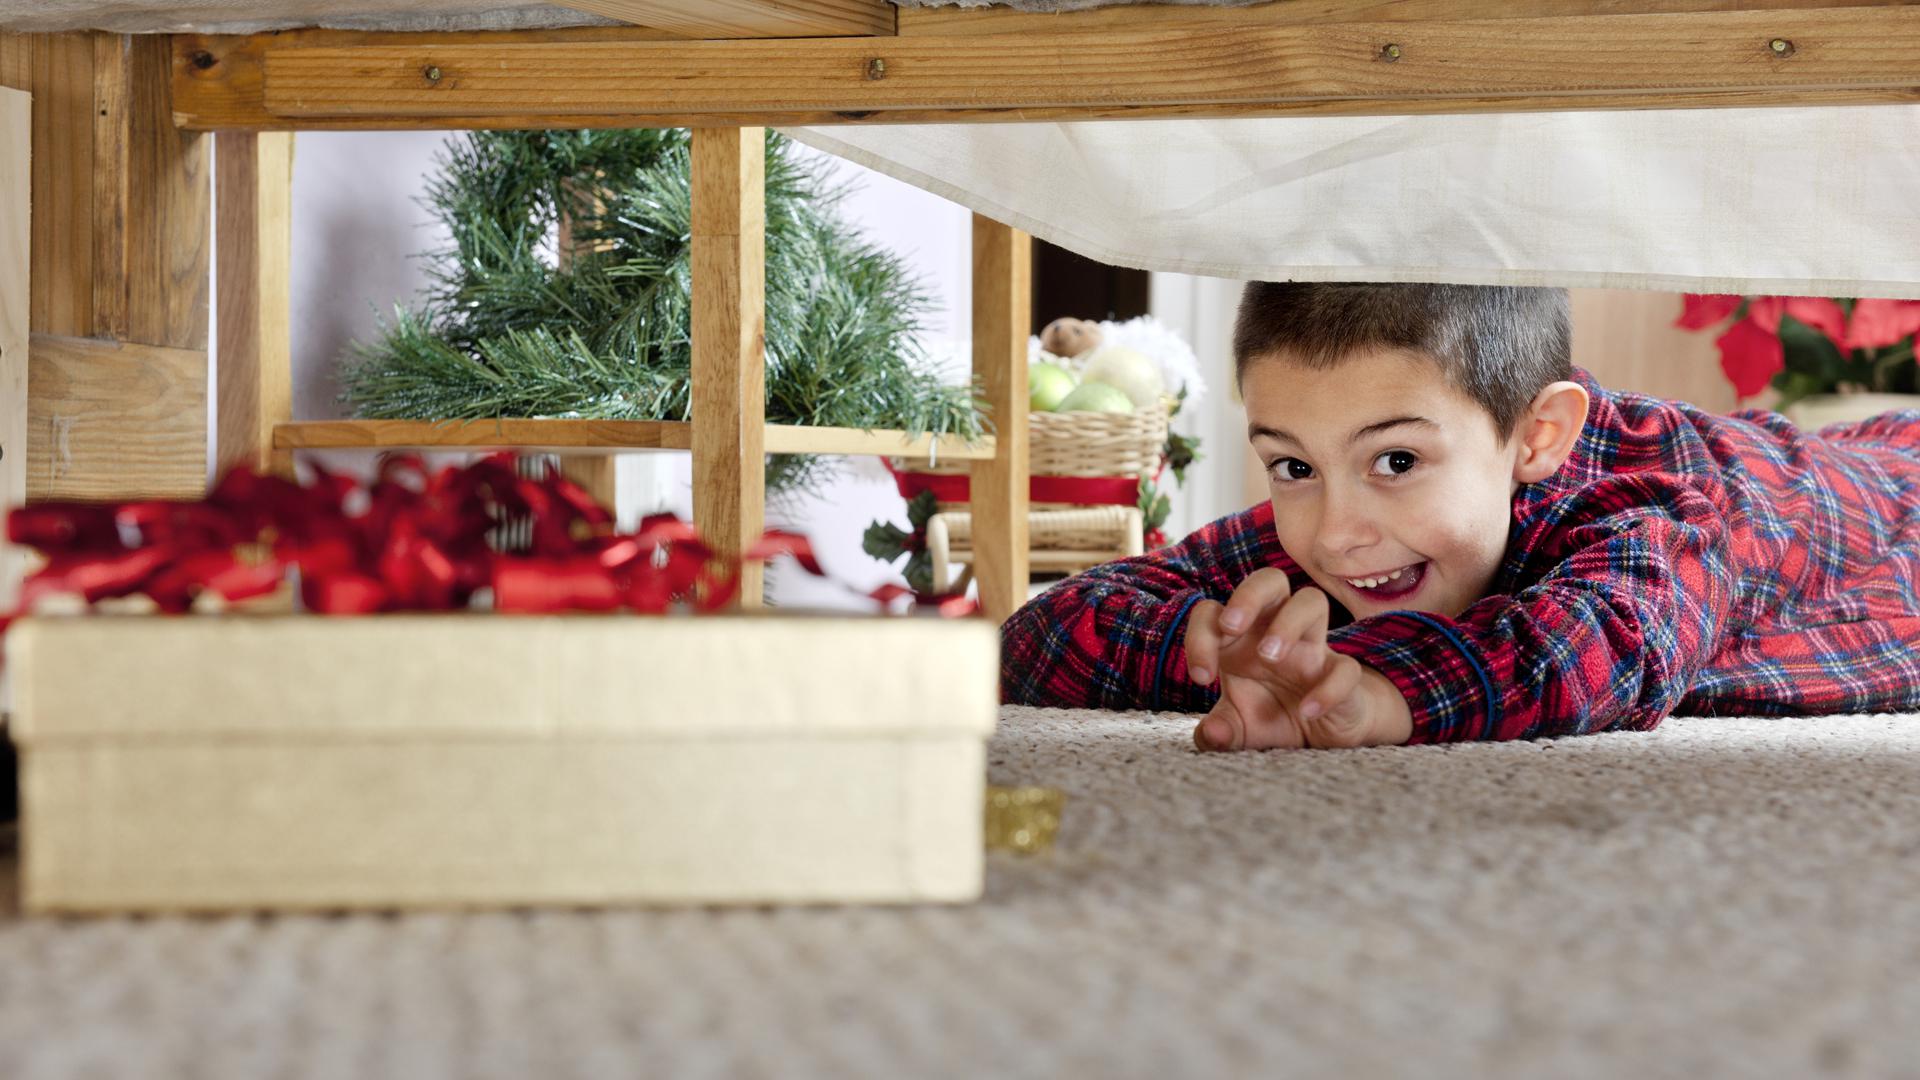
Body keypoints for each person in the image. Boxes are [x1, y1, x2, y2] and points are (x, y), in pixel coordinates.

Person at [999, 282, 1920, 751]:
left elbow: (1598, 644)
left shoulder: (1655, 512)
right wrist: (1210, 641)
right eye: (1291, 464)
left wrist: (1366, 691)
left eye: (1396, 461)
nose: (1334, 534)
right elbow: (1041, 635)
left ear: (1536, 436)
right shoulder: (1355, 513)